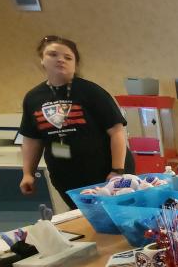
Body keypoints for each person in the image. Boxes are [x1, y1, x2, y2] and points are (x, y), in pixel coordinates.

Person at [18, 35, 134, 209]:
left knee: (115, 216)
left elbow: (116, 131)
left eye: (67, 57)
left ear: (75, 64)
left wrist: (117, 170)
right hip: (66, 175)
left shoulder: (91, 92)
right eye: (53, 55)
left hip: (104, 171)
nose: (60, 60)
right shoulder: (34, 98)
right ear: (42, 60)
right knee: (84, 218)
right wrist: (28, 173)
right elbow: (32, 139)